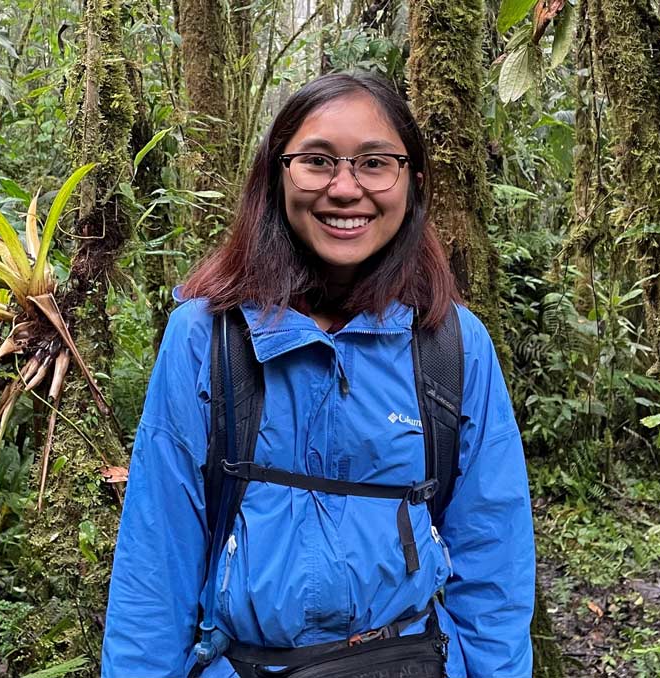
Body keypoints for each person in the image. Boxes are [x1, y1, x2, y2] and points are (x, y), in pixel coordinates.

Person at [101, 71, 535, 677]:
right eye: (317, 161)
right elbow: (156, 562)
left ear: (412, 180)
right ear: (277, 175)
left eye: (375, 163)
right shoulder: (206, 337)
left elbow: (493, 563)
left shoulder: (453, 346)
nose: (345, 189)